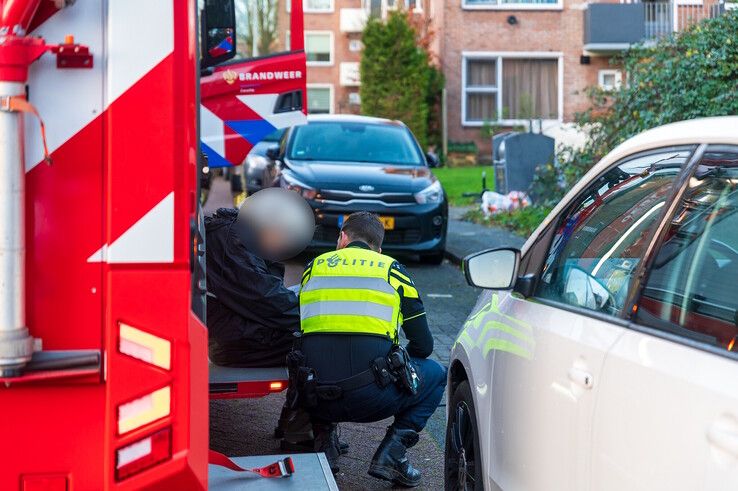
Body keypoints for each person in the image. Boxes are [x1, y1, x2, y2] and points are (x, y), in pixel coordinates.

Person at [294, 211, 447, 487]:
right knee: (435, 373)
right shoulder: (391, 269)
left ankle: (324, 444)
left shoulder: (313, 267)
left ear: (342, 238)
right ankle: (392, 454)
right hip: (375, 397)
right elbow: (424, 345)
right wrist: (397, 365)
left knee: (310, 359)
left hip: (315, 394)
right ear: (378, 247)